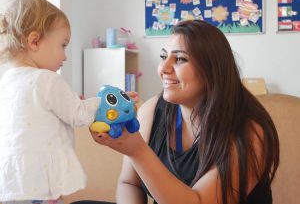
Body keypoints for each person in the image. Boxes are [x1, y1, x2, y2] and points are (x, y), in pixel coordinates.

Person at [89, 20, 280, 204]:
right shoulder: (152, 110)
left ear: (211, 70)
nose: (163, 68)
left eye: (180, 59)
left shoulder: (249, 132)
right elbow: (129, 183)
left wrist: (137, 150)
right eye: (164, 56)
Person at [0, 0, 102, 204]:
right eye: (63, 45)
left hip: (12, 183)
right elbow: (80, 115)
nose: (65, 56)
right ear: (34, 41)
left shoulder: (6, 80)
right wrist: (103, 100)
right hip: (40, 183)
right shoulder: (47, 79)